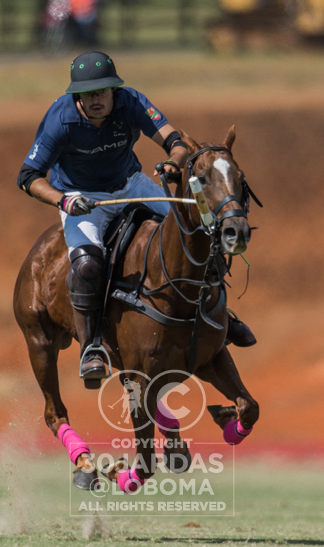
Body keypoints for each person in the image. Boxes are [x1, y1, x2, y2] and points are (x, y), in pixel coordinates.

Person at [17, 51, 256, 381]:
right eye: (88, 94)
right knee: (87, 265)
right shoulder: (61, 119)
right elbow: (29, 177)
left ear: (114, 90)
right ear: (77, 96)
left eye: (102, 91)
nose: (96, 99)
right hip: (82, 196)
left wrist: (173, 161)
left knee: (198, 224)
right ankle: (92, 347)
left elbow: (174, 140)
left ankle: (223, 315)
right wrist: (64, 201)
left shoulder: (130, 102)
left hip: (130, 184)